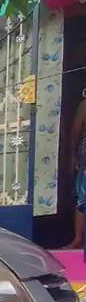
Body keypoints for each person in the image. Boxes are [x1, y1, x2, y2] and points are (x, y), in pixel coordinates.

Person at [68, 87, 86, 247]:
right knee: (83, 198)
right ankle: (78, 240)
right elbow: (75, 133)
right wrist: (73, 156)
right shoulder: (84, 106)